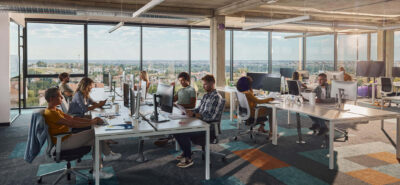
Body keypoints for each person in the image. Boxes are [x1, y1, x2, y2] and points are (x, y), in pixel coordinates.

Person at [43, 87, 121, 179]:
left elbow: (73, 118)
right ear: (52, 99)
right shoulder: (51, 113)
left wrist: (91, 120)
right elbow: (72, 124)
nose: (62, 98)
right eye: (60, 96)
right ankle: (108, 154)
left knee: (96, 140)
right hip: (63, 142)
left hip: (67, 137)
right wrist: (91, 122)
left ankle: (98, 171)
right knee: (95, 133)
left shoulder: (56, 110)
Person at [173, 74, 225, 168]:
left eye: (205, 84)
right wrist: (190, 112)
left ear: (212, 84)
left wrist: (194, 115)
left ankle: (188, 159)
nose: (203, 86)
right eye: (203, 84)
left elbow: (211, 117)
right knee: (176, 130)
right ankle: (186, 152)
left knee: (183, 133)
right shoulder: (206, 95)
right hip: (200, 123)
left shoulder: (216, 98)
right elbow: (199, 109)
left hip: (209, 127)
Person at [154, 72, 196, 147]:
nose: (181, 82)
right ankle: (169, 137)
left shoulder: (191, 90)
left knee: (172, 121)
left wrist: (179, 105)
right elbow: (172, 100)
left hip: (186, 112)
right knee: (168, 117)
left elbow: (193, 105)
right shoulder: (180, 90)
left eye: (183, 80)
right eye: (180, 81)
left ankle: (168, 139)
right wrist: (169, 90)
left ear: (187, 80)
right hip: (179, 111)